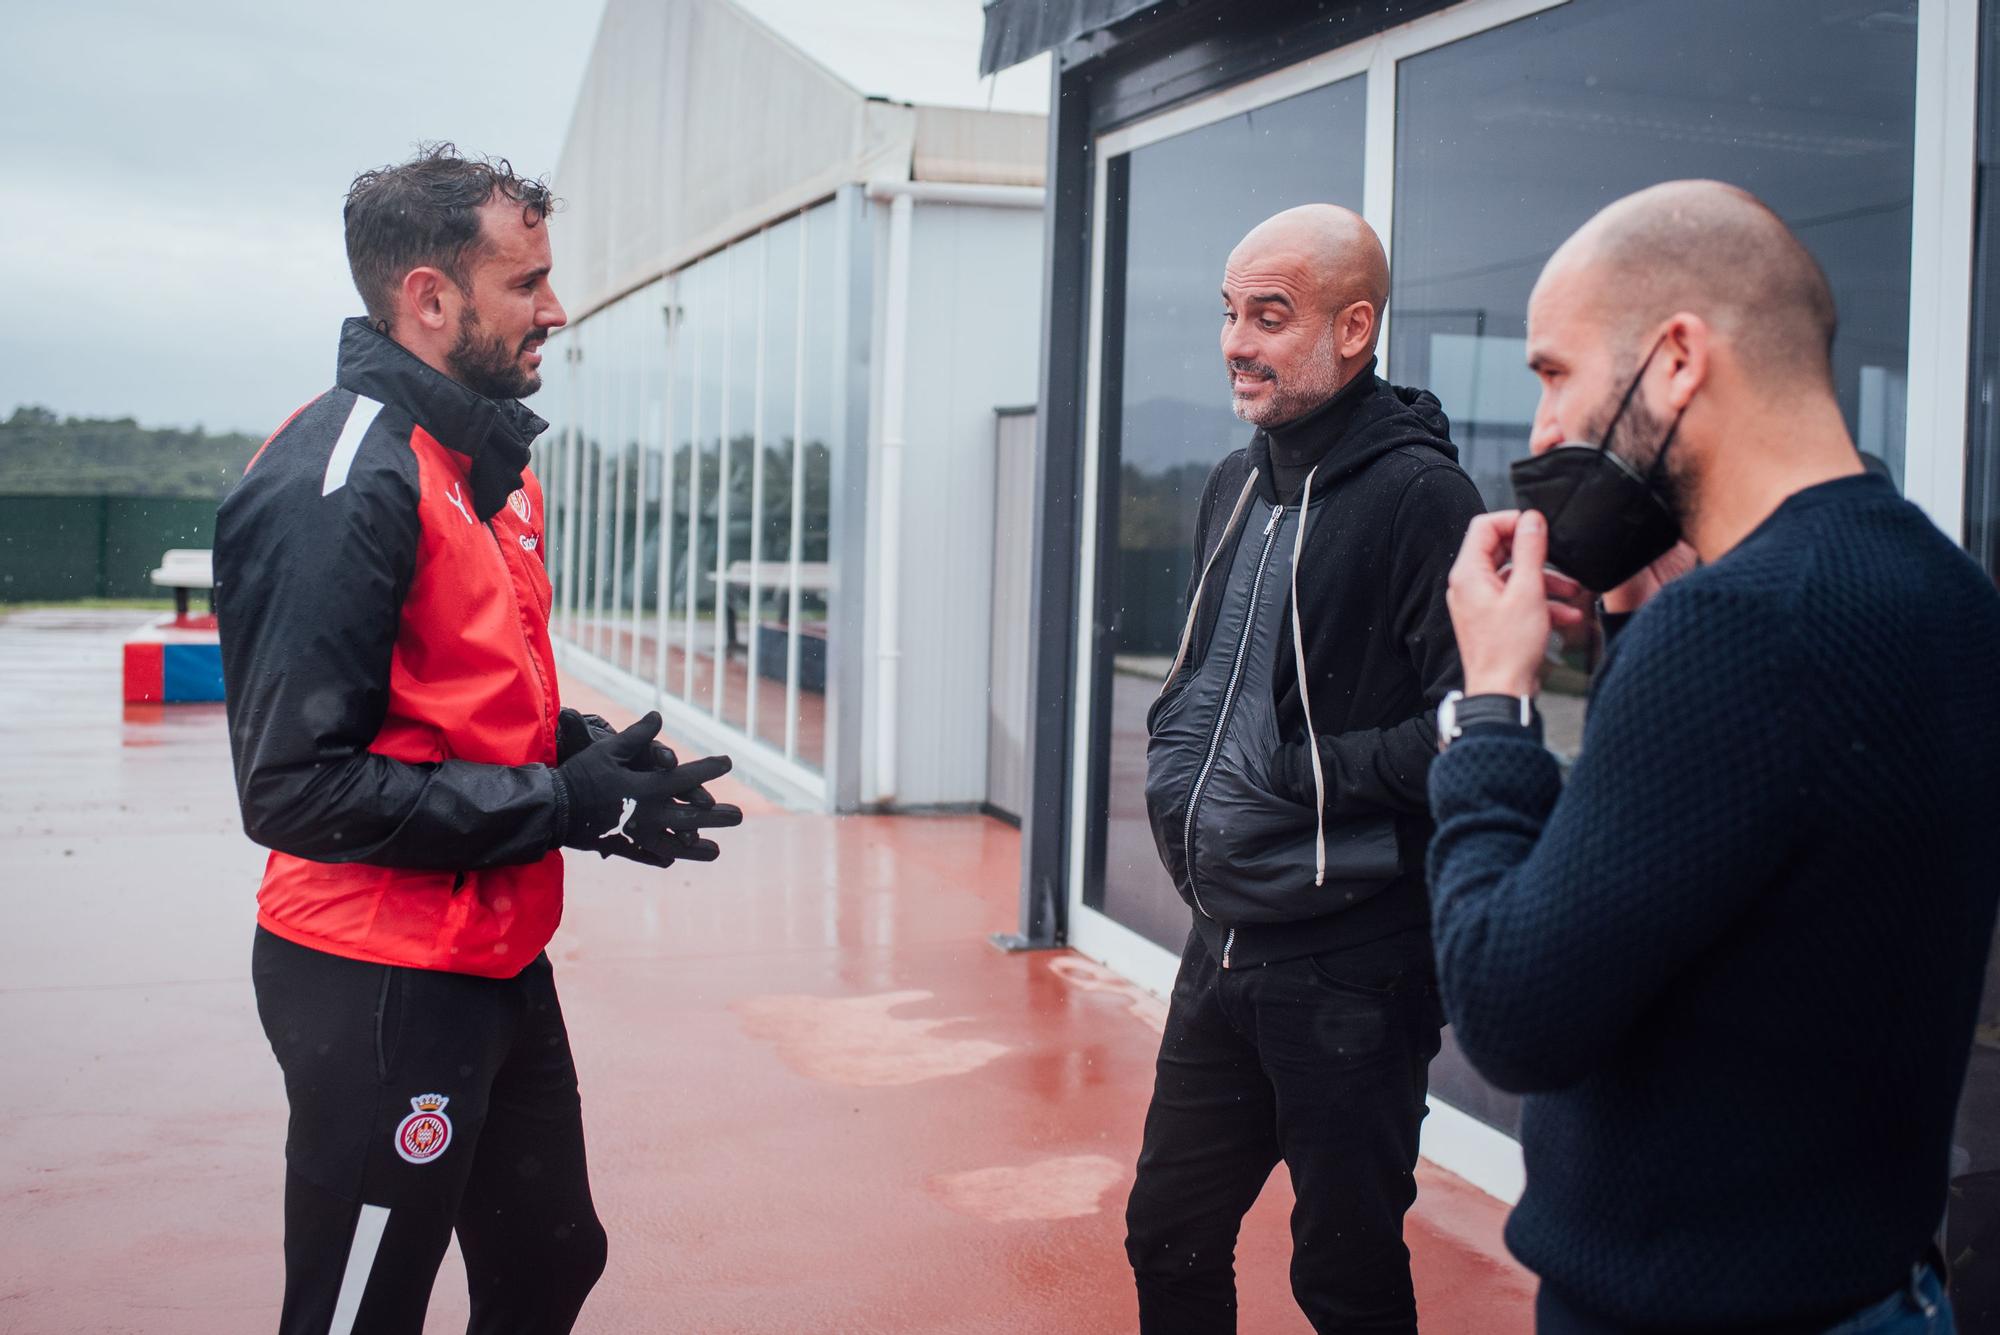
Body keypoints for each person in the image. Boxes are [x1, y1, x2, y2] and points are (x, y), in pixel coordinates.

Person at [1430, 180, 2000, 1334]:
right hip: (1881, 1289)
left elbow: (1508, 1008)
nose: (1541, 430)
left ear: (1676, 358)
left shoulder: (1740, 630)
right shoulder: (1944, 592)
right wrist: (1644, 627)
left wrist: (1489, 704)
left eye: (1552, 373)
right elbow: (1750, 882)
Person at [215, 144, 743, 1335]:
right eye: (527, 283)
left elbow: (460, 696)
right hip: (377, 973)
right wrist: (563, 807)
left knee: (552, 1260)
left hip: (494, 954)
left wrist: (587, 756)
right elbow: (296, 788)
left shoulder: (487, 467)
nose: (556, 309)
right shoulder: (343, 479)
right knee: (361, 1308)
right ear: (430, 297)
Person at [1130, 204, 1484, 1333]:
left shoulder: (1421, 500)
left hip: (1352, 967)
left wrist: (1290, 779)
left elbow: (1477, 728)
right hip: (1219, 942)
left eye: (1268, 316)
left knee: (1344, 1277)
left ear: (1352, 329)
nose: (1236, 340)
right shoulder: (1231, 483)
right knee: (1166, 1234)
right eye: (1230, 313)